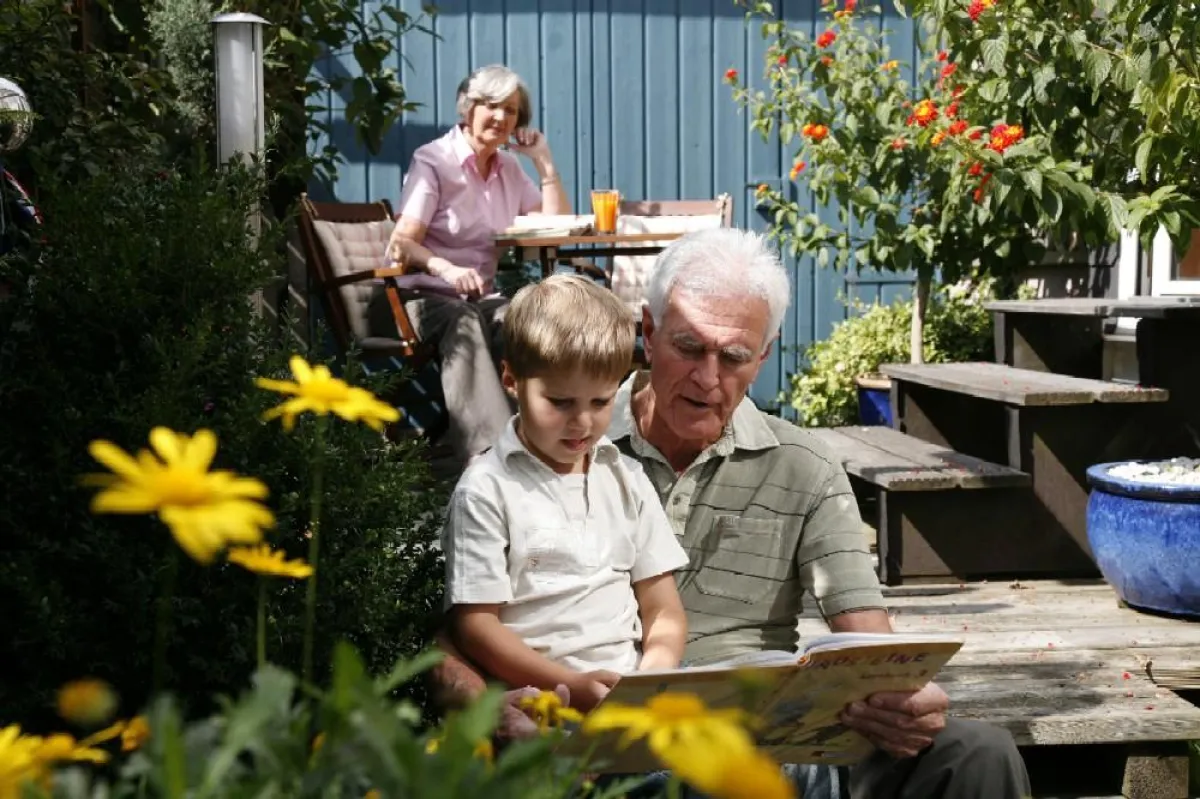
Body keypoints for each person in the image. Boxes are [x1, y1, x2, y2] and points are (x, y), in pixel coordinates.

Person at [431, 228, 1032, 798]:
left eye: (735, 356)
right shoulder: (560, 445)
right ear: (648, 330)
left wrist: (907, 695)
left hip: (763, 730)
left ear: (765, 355)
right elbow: (457, 629)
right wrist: (485, 705)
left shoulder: (804, 466)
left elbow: (870, 645)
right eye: (688, 347)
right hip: (597, 723)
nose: (708, 378)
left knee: (977, 754)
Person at [442, 274, 690, 711]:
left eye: (600, 403)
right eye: (559, 403)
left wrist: (653, 675)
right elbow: (475, 626)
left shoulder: (625, 477)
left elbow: (663, 607)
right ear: (512, 381)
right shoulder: (487, 489)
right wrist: (572, 685)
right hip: (540, 702)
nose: (582, 423)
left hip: (629, 696)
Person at [373, 64, 571, 464]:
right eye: (491, 105)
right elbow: (402, 243)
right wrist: (446, 269)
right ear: (467, 108)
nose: (500, 117)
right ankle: (491, 455)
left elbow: (557, 227)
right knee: (462, 319)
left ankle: (547, 434)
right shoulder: (434, 161)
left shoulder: (508, 168)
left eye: (511, 110)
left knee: (523, 316)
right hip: (415, 299)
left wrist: (544, 162)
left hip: (480, 298)